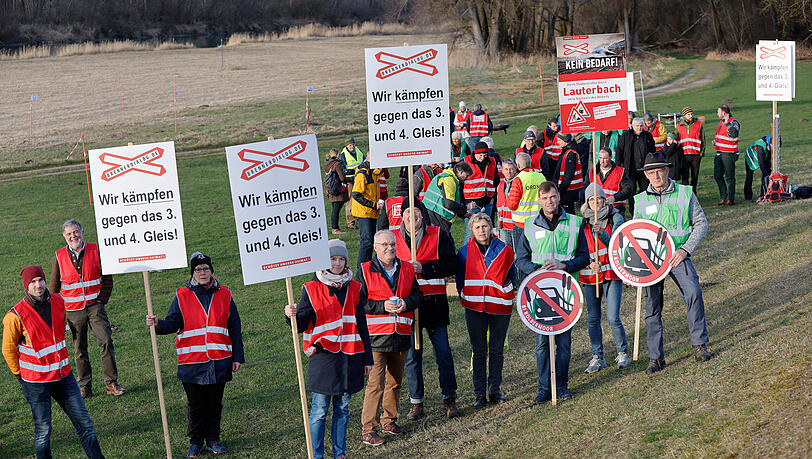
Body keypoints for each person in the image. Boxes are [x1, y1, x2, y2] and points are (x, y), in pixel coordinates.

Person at [146, 252, 244, 457]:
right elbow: (173, 322)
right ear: (193, 273)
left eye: (206, 269)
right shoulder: (182, 294)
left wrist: (237, 356)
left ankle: (213, 439)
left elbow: (234, 326)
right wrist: (157, 324)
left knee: (215, 403)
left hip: (219, 359)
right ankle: (195, 442)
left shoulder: (225, 293)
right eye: (198, 269)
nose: (203, 272)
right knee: (196, 405)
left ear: (211, 271)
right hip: (192, 361)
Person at [3, 265, 105, 459]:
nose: (38, 285)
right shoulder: (14, 316)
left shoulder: (59, 301)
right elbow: (8, 350)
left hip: (63, 376)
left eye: (40, 280)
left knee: (86, 425)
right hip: (36, 383)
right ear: (27, 286)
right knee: (43, 433)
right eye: (32, 282)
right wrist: (20, 376)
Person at [284, 240, 373, 459]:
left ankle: (339, 454)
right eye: (333, 259)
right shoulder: (311, 288)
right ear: (325, 261)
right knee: (319, 412)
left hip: (351, 357)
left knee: (342, 409)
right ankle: (317, 455)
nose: (337, 263)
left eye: (341, 259)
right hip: (323, 358)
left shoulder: (354, 287)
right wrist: (291, 316)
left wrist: (368, 359)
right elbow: (303, 324)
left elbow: (362, 324)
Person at [633, 152, 711, 374]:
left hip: (678, 256)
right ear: (646, 175)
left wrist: (685, 250)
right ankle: (656, 358)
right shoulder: (639, 201)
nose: (656, 175)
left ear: (667, 170)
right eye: (651, 172)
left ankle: (699, 345)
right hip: (650, 263)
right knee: (652, 308)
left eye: (659, 170)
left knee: (694, 293)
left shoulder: (685, 193)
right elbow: (633, 236)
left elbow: (701, 224)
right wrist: (633, 269)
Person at [514, 182, 589, 402]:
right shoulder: (529, 226)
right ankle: (544, 388)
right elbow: (521, 259)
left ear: (559, 197)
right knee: (542, 344)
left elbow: (584, 257)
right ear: (539, 200)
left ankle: (562, 385)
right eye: (546, 198)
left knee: (564, 344)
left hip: (566, 293)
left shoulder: (574, 223)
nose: (550, 201)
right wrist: (538, 271)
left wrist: (565, 265)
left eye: (554, 197)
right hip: (539, 294)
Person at [392, 204, 459, 420]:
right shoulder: (393, 238)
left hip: (435, 303)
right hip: (409, 306)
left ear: (423, 215)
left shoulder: (439, 234)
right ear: (402, 217)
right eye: (407, 213)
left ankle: (449, 398)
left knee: (444, 353)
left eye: (416, 212)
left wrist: (425, 268)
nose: (412, 217)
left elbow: (452, 264)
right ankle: (416, 402)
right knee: (412, 357)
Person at [358, 230, 422, 446]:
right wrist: (381, 306)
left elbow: (417, 295)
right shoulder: (365, 270)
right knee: (375, 384)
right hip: (376, 337)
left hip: (401, 335)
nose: (390, 248)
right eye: (384, 245)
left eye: (392, 244)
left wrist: (406, 303)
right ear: (375, 248)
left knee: (395, 382)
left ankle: (389, 420)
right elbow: (359, 303)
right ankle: (369, 429)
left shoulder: (406, 268)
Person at [50, 219, 124, 399]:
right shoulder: (59, 256)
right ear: (64, 237)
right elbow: (53, 288)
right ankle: (84, 386)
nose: (73, 236)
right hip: (73, 311)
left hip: (95, 307)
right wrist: (59, 311)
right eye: (69, 234)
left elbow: (107, 278)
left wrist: (101, 300)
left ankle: (111, 383)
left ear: (82, 232)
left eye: (75, 232)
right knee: (79, 348)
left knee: (106, 341)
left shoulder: (96, 250)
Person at [456, 214, 516, 406]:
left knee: (497, 350)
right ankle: (480, 394)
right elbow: (459, 278)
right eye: (477, 227)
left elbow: (512, 274)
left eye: (484, 226)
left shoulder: (505, 249)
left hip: (499, 306)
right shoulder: (464, 252)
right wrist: (465, 293)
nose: (481, 230)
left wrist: (507, 292)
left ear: (491, 228)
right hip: (474, 307)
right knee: (479, 350)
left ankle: (495, 390)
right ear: (472, 231)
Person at [577, 186, 630, 373]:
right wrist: (591, 262)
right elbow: (578, 251)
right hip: (591, 276)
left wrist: (602, 233)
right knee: (593, 318)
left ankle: (622, 352)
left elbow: (617, 243)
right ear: (587, 203)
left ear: (604, 200)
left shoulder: (615, 218)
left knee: (613, 317)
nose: (596, 203)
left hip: (612, 274)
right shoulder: (581, 224)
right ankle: (597, 356)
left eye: (599, 198)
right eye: (592, 200)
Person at [617, 117, 656, 216]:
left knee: (646, 190)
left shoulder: (648, 136)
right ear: (632, 126)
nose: (639, 128)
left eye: (641, 126)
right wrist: (619, 166)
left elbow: (653, 151)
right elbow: (619, 151)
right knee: (631, 192)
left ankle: (646, 210)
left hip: (644, 169)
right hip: (630, 170)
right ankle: (633, 211)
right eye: (637, 126)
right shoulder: (626, 136)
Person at [351, 158, 385, 269]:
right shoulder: (363, 173)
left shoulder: (374, 172)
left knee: (370, 241)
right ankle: (361, 268)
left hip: (371, 212)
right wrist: (372, 204)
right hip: (364, 212)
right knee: (367, 241)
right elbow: (356, 194)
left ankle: (367, 266)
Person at [422, 161, 473, 234]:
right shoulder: (449, 180)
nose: (467, 178)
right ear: (461, 172)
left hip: (433, 213)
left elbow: (451, 202)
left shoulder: (450, 177)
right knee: (443, 242)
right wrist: (466, 207)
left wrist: (465, 214)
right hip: (436, 215)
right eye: (467, 175)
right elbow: (449, 204)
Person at [463, 142, 500, 242]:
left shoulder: (492, 161)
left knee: (487, 232)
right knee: (470, 234)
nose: (482, 158)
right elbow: (461, 183)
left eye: (485, 155)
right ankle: (467, 256)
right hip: (471, 204)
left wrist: (493, 199)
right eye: (480, 155)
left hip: (488, 203)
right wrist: (465, 204)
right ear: (474, 153)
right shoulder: (466, 162)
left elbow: (496, 181)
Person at [506, 152, 545, 247]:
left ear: (518, 165)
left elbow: (512, 205)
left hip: (521, 223)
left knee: (521, 253)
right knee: (539, 250)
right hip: (539, 221)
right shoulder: (541, 177)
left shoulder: (518, 179)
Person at [583, 148, 634, 216]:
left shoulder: (620, 172)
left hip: (616, 209)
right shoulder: (592, 172)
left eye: (605, 158)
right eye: (600, 158)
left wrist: (615, 197)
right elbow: (585, 188)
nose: (602, 161)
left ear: (611, 157)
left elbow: (628, 189)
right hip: (596, 209)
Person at [712, 104, 741, 205]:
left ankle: (730, 199)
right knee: (717, 175)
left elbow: (733, 134)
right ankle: (723, 197)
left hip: (729, 154)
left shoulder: (733, 122)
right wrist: (716, 141)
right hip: (720, 152)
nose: (717, 114)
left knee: (729, 177)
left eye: (718, 112)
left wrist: (728, 123)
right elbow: (724, 136)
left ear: (724, 113)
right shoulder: (721, 122)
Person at [552, 133, 584, 214]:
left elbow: (568, 175)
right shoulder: (568, 152)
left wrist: (560, 191)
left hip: (568, 191)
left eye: (559, 140)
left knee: (568, 214)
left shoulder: (570, 154)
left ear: (565, 141)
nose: (558, 142)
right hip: (568, 190)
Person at [677, 107, 705, 192]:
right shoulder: (679, 126)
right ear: (684, 115)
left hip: (696, 155)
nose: (691, 116)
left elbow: (703, 139)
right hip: (684, 155)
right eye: (688, 114)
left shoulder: (699, 124)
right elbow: (677, 139)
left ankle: (694, 194)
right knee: (685, 176)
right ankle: (685, 195)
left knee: (694, 176)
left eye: (691, 114)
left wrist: (701, 153)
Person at [324, 149, 351, 235]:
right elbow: (342, 178)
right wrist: (349, 179)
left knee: (335, 209)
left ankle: (335, 227)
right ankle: (335, 228)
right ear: (338, 155)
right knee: (336, 210)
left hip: (331, 189)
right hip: (338, 190)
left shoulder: (328, 164)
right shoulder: (337, 164)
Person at [341, 138, 366, 229]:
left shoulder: (359, 151)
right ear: (346, 146)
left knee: (362, 199)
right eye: (350, 145)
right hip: (350, 181)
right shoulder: (343, 155)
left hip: (360, 179)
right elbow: (342, 170)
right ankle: (351, 222)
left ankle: (362, 219)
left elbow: (364, 161)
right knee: (350, 201)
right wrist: (353, 170)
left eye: (353, 144)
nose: (352, 146)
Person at [495, 158, 519, 248]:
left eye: (511, 169)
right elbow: (499, 208)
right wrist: (498, 228)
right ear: (502, 171)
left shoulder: (519, 183)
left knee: (517, 254)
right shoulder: (500, 185)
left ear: (515, 170)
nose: (509, 172)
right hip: (504, 227)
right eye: (506, 169)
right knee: (507, 253)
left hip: (516, 226)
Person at [743, 135, 773, 202]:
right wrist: (766, 175)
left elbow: (769, 160)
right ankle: (748, 197)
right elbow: (761, 163)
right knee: (749, 176)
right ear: (770, 143)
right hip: (751, 155)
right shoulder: (760, 146)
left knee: (768, 172)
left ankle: (763, 194)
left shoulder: (772, 144)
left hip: (764, 154)